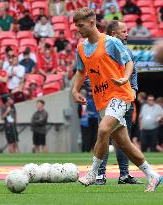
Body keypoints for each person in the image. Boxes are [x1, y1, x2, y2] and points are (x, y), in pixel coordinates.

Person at [72, 7, 162, 192]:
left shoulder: (111, 42)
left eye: (80, 25)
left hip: (120, 94)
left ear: (91, 23)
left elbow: (129, 61)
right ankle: (153, 175)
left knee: (103, 129)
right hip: (102, 99)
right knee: (124, 144)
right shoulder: (81, 47)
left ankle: (93, 173)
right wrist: (75, 90)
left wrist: (125, 78)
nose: (78, 29)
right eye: (76, 26)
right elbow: (81, 71)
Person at [95, 20, 141, 185]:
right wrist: (101, 89)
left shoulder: (127, 51)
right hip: (107, 100)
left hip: (125, 99)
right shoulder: (100, 52)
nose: (127, 34)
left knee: (124, 139)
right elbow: (90, 77)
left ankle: (124, 175)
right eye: (123, 32)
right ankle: (100, 175)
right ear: (113, 34)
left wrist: (134, 89)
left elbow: (133, 71)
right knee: (104, 136)